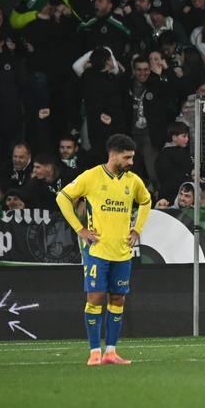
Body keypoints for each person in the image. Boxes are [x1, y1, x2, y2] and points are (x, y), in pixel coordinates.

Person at [54, 134, 151, 366]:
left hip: (123, 252)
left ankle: (111, 351)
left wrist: (137, 229)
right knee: (95, 297)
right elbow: (62, 198)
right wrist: (80, 229)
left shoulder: (133, 181)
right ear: (114, 155)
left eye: (132, 157)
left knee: (118, 299)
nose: (131, 162)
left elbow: (146, 201)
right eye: (127, 157)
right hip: (97, 251)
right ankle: (94, 351)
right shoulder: (91, 177)